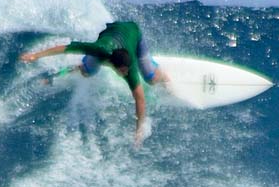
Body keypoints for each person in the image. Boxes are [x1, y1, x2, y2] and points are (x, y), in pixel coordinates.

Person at [20, 21, 169, 145]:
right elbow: (66, 48)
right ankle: (66, 72)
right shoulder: (98, 50)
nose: (126, 74)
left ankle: (165, 77)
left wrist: (139, 130)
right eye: (123, 71)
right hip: (110, 33)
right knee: (86, 72)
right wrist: (35, 55)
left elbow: (140, 99)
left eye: (126, 70)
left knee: (151, 78)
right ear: (114, 66)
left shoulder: (129, 68)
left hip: (133, 32)